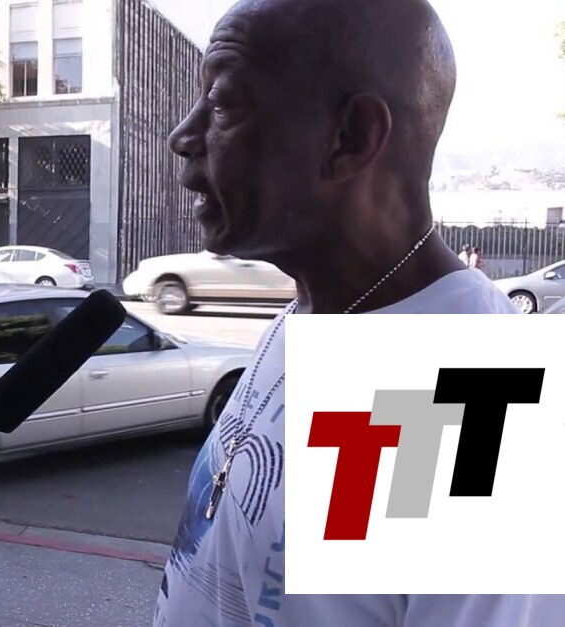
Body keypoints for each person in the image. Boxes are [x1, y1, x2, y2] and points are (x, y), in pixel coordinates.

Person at [154, 0, 561, 625]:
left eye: (224, 104)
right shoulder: (316, 311)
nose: (183, 137)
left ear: (350, 139)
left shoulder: (466, 390)